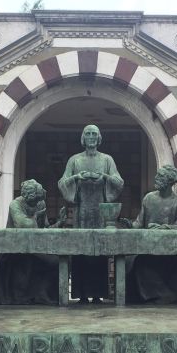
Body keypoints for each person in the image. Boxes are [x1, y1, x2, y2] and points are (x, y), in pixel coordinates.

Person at [58, 124, 124, 302]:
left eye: (94, 134)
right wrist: (76, 178)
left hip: (100, 211)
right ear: (83, 138)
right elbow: (62, 182)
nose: (91, 137)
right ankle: (81, 295)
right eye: (88, 134)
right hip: (81, 211)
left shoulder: (107, 159)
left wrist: (105, 177)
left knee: (99, 252)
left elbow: (118, 181)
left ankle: (98, 294)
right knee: (81, 251)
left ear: (99, 138)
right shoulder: (75, 160)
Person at [0, 179, 66, 305]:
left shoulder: (40, 203)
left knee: (56, 261)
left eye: (38, 199)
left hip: (35, 247)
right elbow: (23, 225)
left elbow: (44, 229)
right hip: (15, 247)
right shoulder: (15, 204)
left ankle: (43, 295)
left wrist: (59, 223)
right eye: (35, 199)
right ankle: (23, 296)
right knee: (24, 261)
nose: (37, 202)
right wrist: (36, 217)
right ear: (27, 196)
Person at [126, 164, 177, 304]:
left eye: (160, 176)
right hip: (147, 248)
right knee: (128, 261)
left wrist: (163, 228)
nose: (156, 178)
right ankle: (141, 298)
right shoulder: (149, 198)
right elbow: (139, 222)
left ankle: (163, 295)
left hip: (167, 251)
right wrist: (130, 225)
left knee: (141, 264)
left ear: (169, 181)